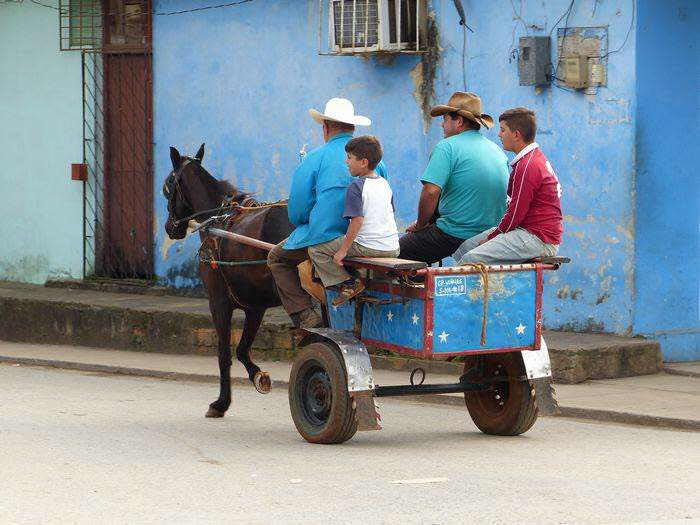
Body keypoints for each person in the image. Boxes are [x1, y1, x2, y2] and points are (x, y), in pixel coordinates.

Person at [267, 98, 387, 329]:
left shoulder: (314, 157)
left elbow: (298, 211)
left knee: (277, 258)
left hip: (326, 237)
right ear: (353, 129)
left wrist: (306, 223)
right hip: (367, 238)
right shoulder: (375, 162)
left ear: (325, 127)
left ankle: (306, 316)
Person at [398, 92, 509, 264]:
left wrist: (420, 225)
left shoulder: (446, 147)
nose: (442, 124)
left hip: (454, 234)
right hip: (490, 234)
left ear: (459, 122)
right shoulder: (496, 150)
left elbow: (431, 192)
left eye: (445, 119)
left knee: (393, 255)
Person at [455, 107, 563, 265]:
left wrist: (491, 238)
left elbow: (515, 214)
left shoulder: (528, 166)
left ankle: (476, 290)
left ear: (516, 134)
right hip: (526, 231)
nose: (499, 134)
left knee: (471, 259)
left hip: (538, 237)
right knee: (464, 248)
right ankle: (487, 289)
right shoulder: (529, 160)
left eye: (503, 130)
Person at [308, 136, 399, 306]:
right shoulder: (384, 184)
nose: (346, 161)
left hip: (369, 246)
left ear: (363, 162)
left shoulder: (356, 186)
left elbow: (357, 221)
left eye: (349, 157)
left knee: (315, 249)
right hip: (393, 247)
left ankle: (347, 283)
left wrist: (342, 250)